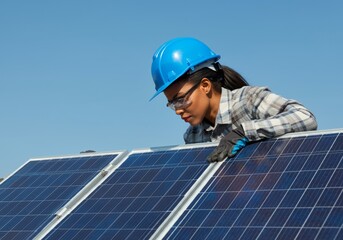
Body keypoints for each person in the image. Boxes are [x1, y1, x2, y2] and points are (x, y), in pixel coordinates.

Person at [150, 37, 318, 162]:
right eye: (172, 103)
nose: (178, 110)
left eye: (180, 99)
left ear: (205, 86)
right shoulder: (193, 136)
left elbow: (305, 117)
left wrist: (245, 131)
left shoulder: (249, 100)